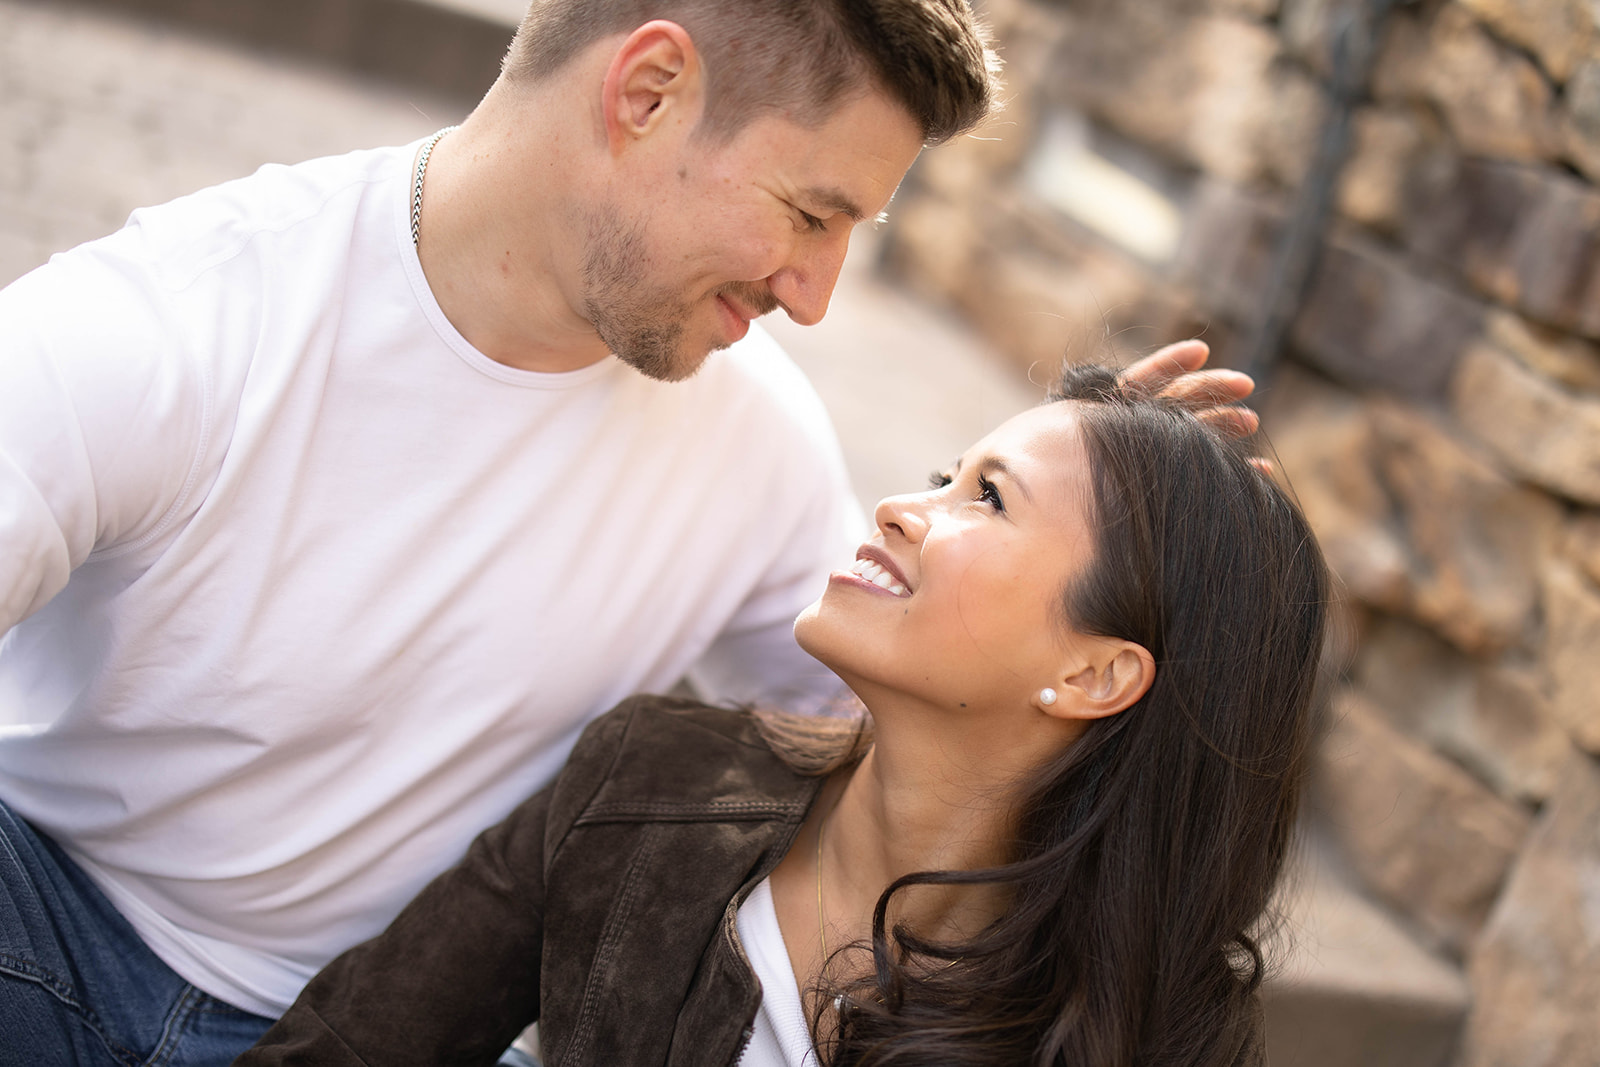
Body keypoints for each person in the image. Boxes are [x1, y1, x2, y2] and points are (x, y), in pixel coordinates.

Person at [0, 2, 1258, 1064]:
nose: (812, 299)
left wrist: (1109, 538)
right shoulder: (164, 328)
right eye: (811, 215)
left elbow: (934, 749)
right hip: (40, 914)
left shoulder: (753, 445)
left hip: (407, 1008)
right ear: (648, 92)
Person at [236, 362, 1329, 1067]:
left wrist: (1155, 520)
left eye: (984, 498)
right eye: (948, 471)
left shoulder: (1147, 1034)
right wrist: (1086, 477)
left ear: (1096, 676)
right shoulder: (653, 779)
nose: (902, 503)